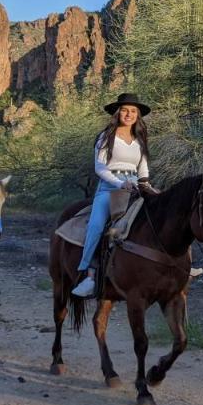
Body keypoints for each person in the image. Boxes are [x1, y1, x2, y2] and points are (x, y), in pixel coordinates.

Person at [71, 93, 155, 298]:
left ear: (138, 115)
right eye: (125, 110)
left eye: (133, 111)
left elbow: (143, 168)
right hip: (109, 187)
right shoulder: (106, 137)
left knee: (163, 214)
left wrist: (146, 184)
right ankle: (90, 275)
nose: (129, 114)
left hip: (136, 186)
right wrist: (120, 183)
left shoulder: (140, 139)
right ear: (118, 113)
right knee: (97, 225)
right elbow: (100, 168)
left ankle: (176, 267)